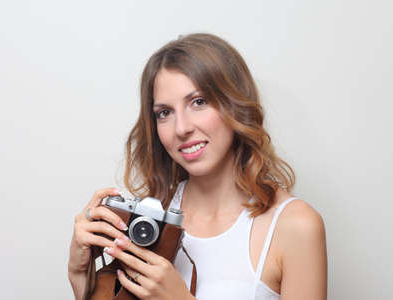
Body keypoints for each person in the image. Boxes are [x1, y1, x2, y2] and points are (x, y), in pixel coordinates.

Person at [68, 33, 327, 300]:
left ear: (235, 103)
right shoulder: (148, 223)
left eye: (199, 102)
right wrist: (80, 276)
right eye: (164, 113)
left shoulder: (295, 225)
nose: (182, 128)